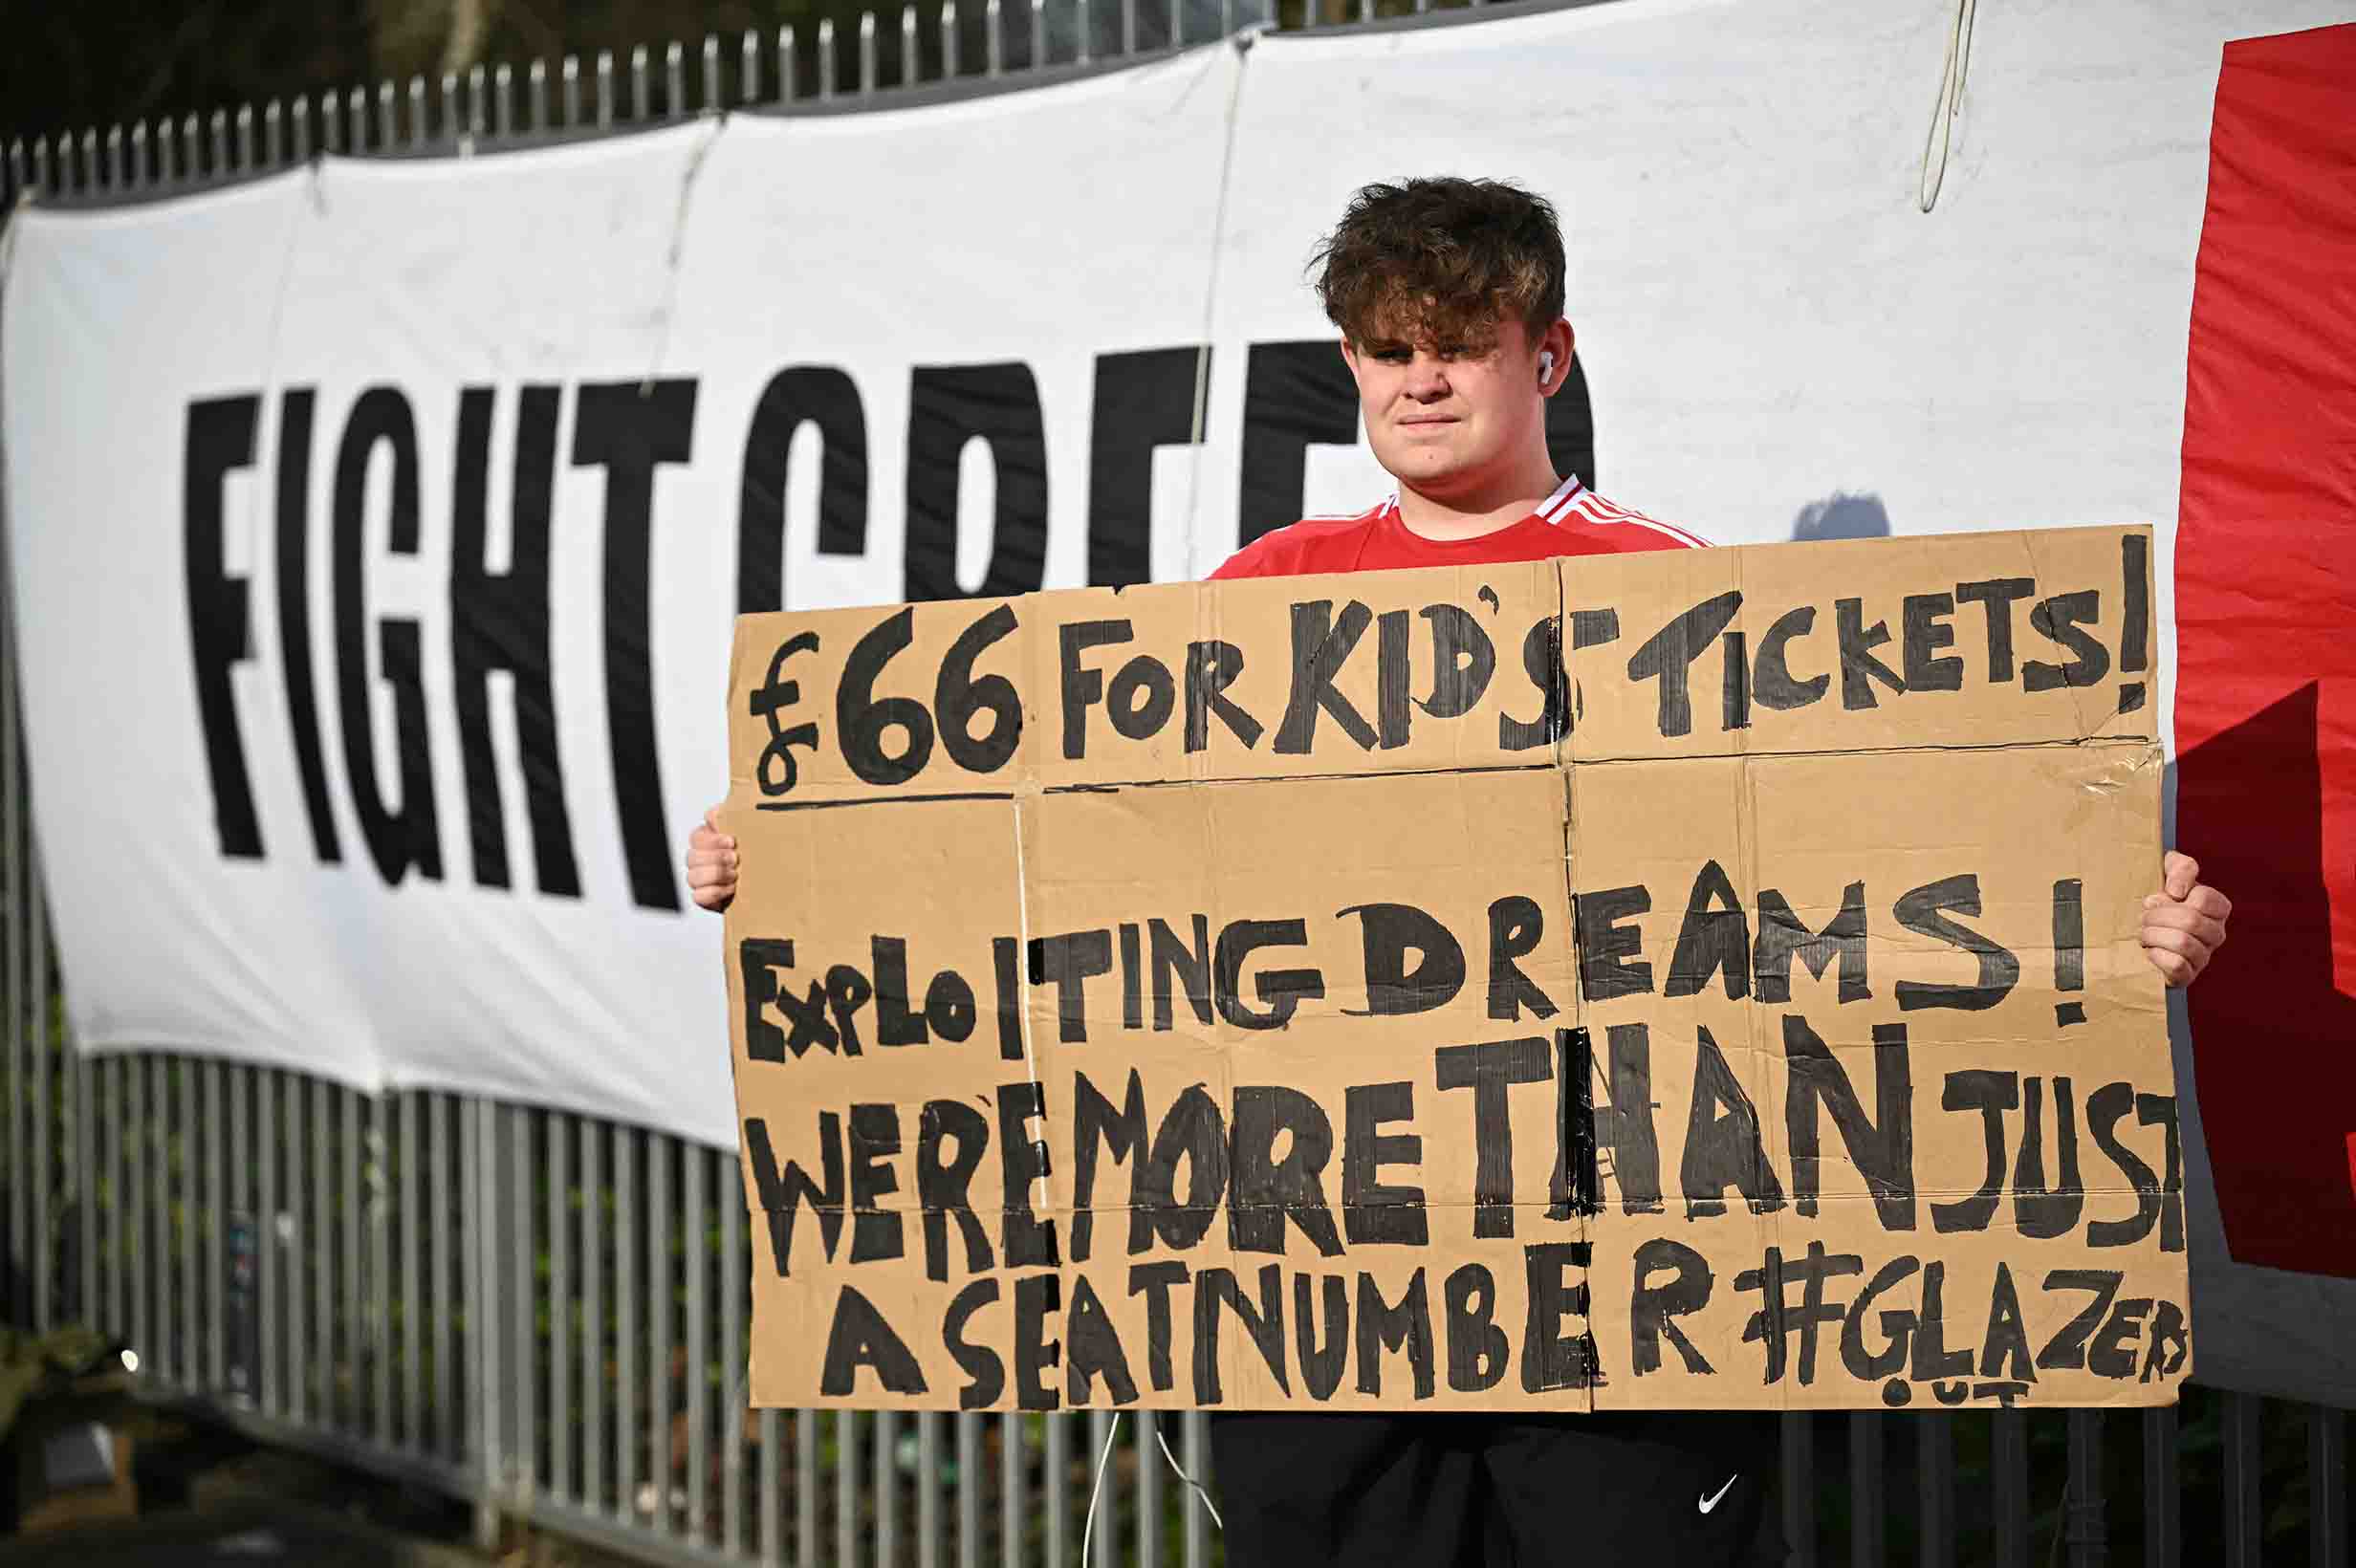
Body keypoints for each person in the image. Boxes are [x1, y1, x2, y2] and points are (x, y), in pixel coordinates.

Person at [685, 178, 2233, 1566]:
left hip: (1624, 1284)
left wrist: (2111, 926)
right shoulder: (1260, 597)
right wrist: (804, 869)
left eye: (1459, 342)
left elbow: (1870, 872)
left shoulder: (1672, 592)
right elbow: (1080, 851)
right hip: (1316, 1277)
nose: (1419, 377)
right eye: (1384, 346)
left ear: (1544, 356)